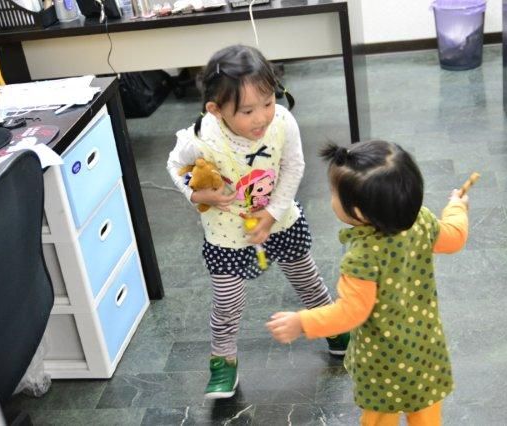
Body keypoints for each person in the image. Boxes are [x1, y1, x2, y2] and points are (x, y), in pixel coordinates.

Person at [166, 44, 349, 399]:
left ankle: (333, 328)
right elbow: (174, 166)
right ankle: (223, 360)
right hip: (227, 233)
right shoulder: (202, 136)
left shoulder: (282, 122)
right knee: (227, 301)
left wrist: (271, 213)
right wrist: (197, 195)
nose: (261, 118)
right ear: (216, 109)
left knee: (308, 281)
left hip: (279, 220)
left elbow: (293, 167)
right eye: (247, 111)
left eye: (267, 102)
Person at [266, 140, 469, 426]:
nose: (331, 198)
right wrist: (456, 207)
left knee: (379, 419)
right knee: (427, 417)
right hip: (425, 353)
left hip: (382, 365)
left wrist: (303, 322)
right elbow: (455, 237)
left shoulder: (362, 259)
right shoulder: (421, 221)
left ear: (359, 213)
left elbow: (350, 313)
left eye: (333, 193)